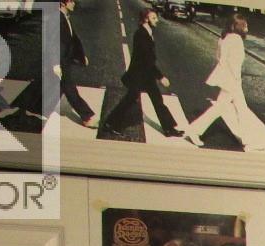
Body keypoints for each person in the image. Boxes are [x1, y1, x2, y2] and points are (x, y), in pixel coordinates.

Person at [99, 6, 182, 138]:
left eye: (156, 17)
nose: (157, 20)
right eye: (153, 18)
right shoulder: (141, 34)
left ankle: (169, 128)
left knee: (157, 100)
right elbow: (147, 60)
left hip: (146, 75)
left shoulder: (148, 32)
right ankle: (110, 124)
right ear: (145, 19)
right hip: (139, 75)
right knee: (129, 100)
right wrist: (161, 77)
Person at [183, 13, 255, 149]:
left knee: (239, 109)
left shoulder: (224, 38)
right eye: (244, 25)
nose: (247, 27)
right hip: (233, 81)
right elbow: (235, 64)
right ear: (236, 26)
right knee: (224, 109)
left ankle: (247, 140)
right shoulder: (236, 39)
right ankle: (194, 131)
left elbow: (219, 58)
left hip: (226, 78)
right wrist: (237, 80)